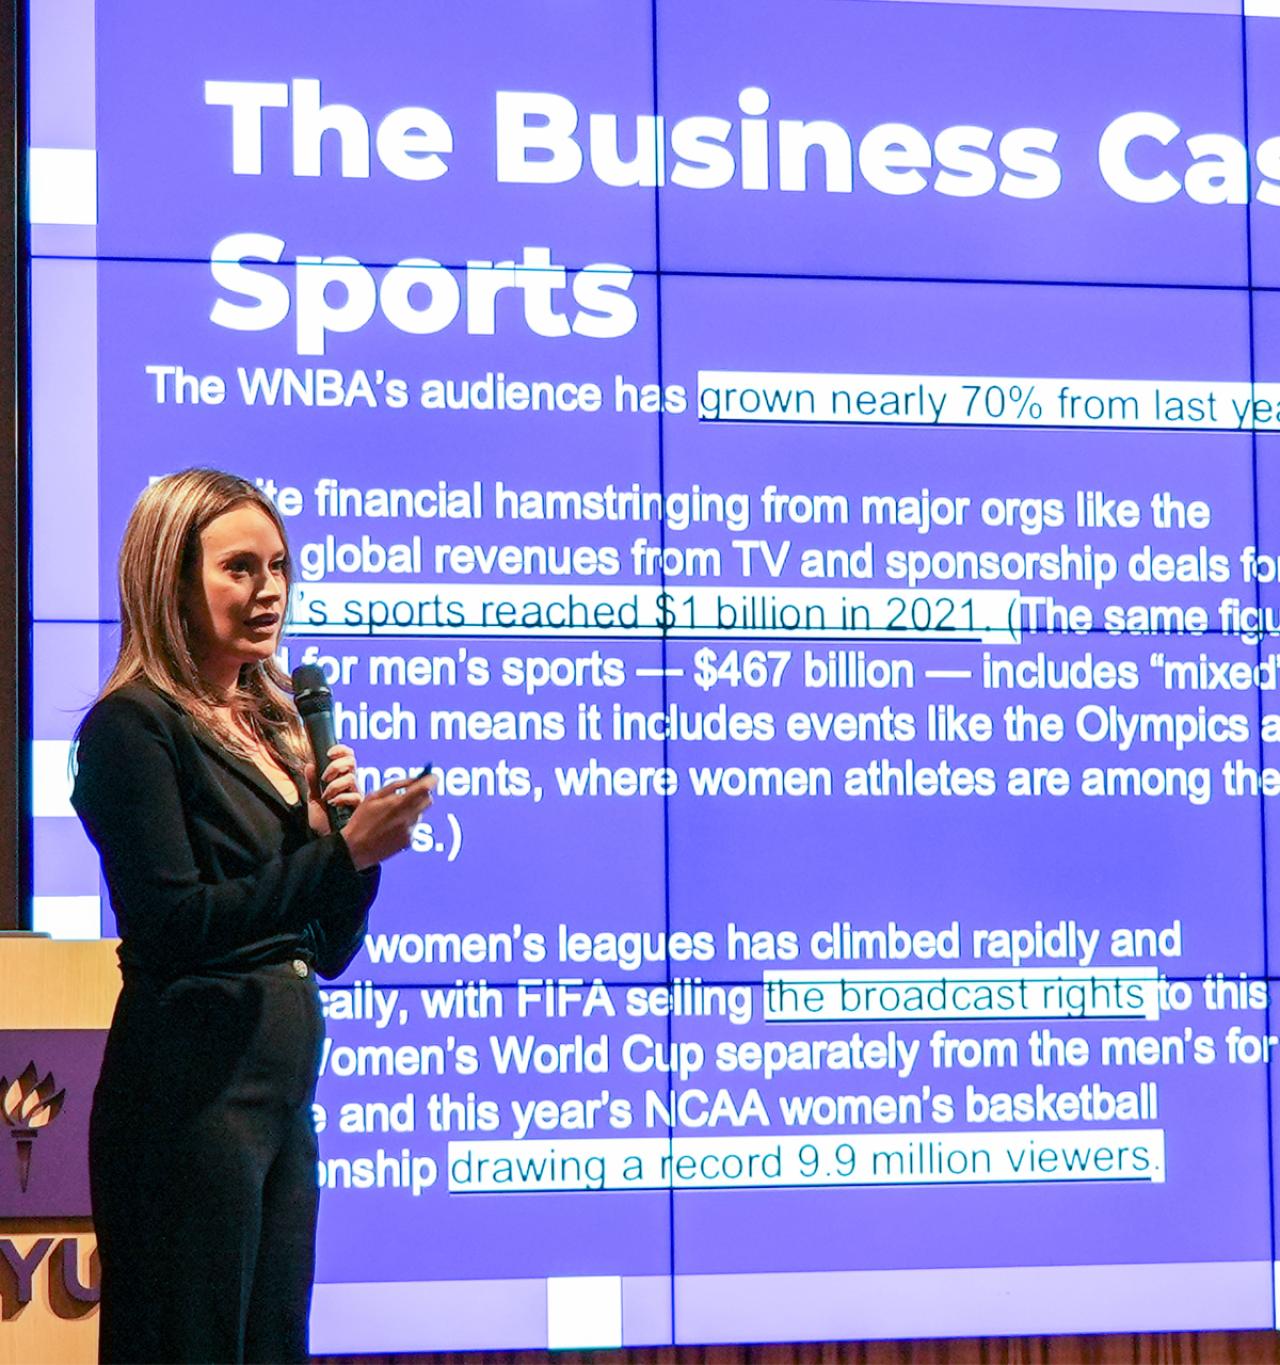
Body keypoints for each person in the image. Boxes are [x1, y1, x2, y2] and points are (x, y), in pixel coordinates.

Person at [71, 469, 436, 1364]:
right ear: (170, 579)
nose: (267, 589)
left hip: (278, 1105)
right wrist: (335, 853)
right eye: (238, 567)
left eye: (278, 566)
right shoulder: (133, 728)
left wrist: (344, 847)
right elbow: (173, 922)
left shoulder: (278, 729)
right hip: (188, 1102)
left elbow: (328, 946)